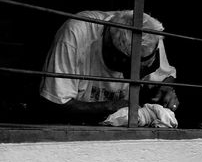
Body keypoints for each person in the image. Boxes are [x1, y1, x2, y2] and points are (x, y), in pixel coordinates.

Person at [38, 10, 179, 124]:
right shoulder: (77, 32)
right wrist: (110, 106)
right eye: (133, 70)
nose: (139, 76)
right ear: (116, 56)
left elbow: (165, 75)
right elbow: (54, 103)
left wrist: (165, 88)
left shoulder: (149, 37)